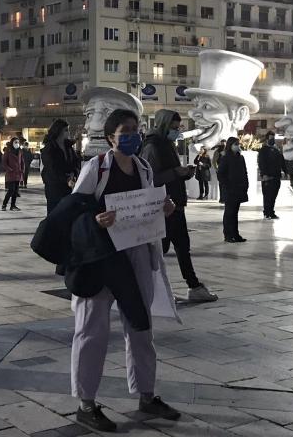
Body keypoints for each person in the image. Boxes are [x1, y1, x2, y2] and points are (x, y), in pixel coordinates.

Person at [70, 108, 181, 432]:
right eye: (126, 131)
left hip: (137, 254)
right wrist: (95, 220)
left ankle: (147, 394)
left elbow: (150, 205)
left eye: (136, 129)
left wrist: (165, 208)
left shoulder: (144, 167)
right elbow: (73, 211)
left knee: (141, 327)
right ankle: (86, 403)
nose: (133, 135)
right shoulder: (96, 168)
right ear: (110, 138)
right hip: (101, 259)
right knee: (92, 330)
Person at [141, 110, 218, 303]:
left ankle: (193, 286)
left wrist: (183, 173)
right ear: (163, 125)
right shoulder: (153, 146)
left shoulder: (166, 144)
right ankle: (152, 289)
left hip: (175, 205)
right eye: (173, 128)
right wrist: (176, 172)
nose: (176, 131)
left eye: (177, 127)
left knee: (182, 247)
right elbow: (151, 178)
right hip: (163, 207)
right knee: (160, 250)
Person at [41, 119, 80, 214]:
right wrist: (66, 179)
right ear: (58, 131)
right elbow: (51, 168)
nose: (68, 132)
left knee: (66, 212)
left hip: (67, 185)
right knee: (54, 213)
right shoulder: (49, 148)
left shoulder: (68, 147)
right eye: (66, 130)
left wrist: (74, 173)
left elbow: (75, 162)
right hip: (54, 186)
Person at [217, 136, 248, 243]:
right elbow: (221, 174)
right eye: (235, 144)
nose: (238, 146)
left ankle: (235, 234)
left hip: (239, 189)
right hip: (230, 190)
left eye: (238, 144)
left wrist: (245, 185)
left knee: (235, 213)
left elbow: (244, 172)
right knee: (229, 213)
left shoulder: (240, 158)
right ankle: (228, 235)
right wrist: (227, 186)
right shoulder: (225, 158)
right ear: (230, 146)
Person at [258, 131, 286, 219]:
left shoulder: (277, 150)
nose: (272, 140)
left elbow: (282, 161)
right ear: (267, 139)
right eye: (270, 138)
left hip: (276, 176)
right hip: (268, 177)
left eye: (273, 138)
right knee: (267, 196)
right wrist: (264, 174)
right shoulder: (263, 150)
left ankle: (271, 212)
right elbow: (261, 163)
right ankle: (267, 213)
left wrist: (286, 171)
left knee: (273, 196)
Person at [1, 137, 24, 211]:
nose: (17, 144)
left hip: (18, 173)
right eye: (15, 142)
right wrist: (9, 169)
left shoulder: (19, 151)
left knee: (16, 191)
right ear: (12, 143)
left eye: (18, 142)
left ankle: (13, 206)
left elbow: (22, 161)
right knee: (11, 190)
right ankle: (4, 205)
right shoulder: (8, 151)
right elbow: (4, 162)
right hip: (11, 173)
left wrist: (22, 169)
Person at [212, 139, 227, 203]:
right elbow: (214, 161)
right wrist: (216, 169)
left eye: (224, 143)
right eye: (222, 143)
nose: (223, 145)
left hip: (227, 170)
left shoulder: (228, 151)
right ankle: (222, 198)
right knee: (221, 184)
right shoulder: (217, 151)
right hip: (220, 170)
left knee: (226, 185)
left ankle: (225, 198)